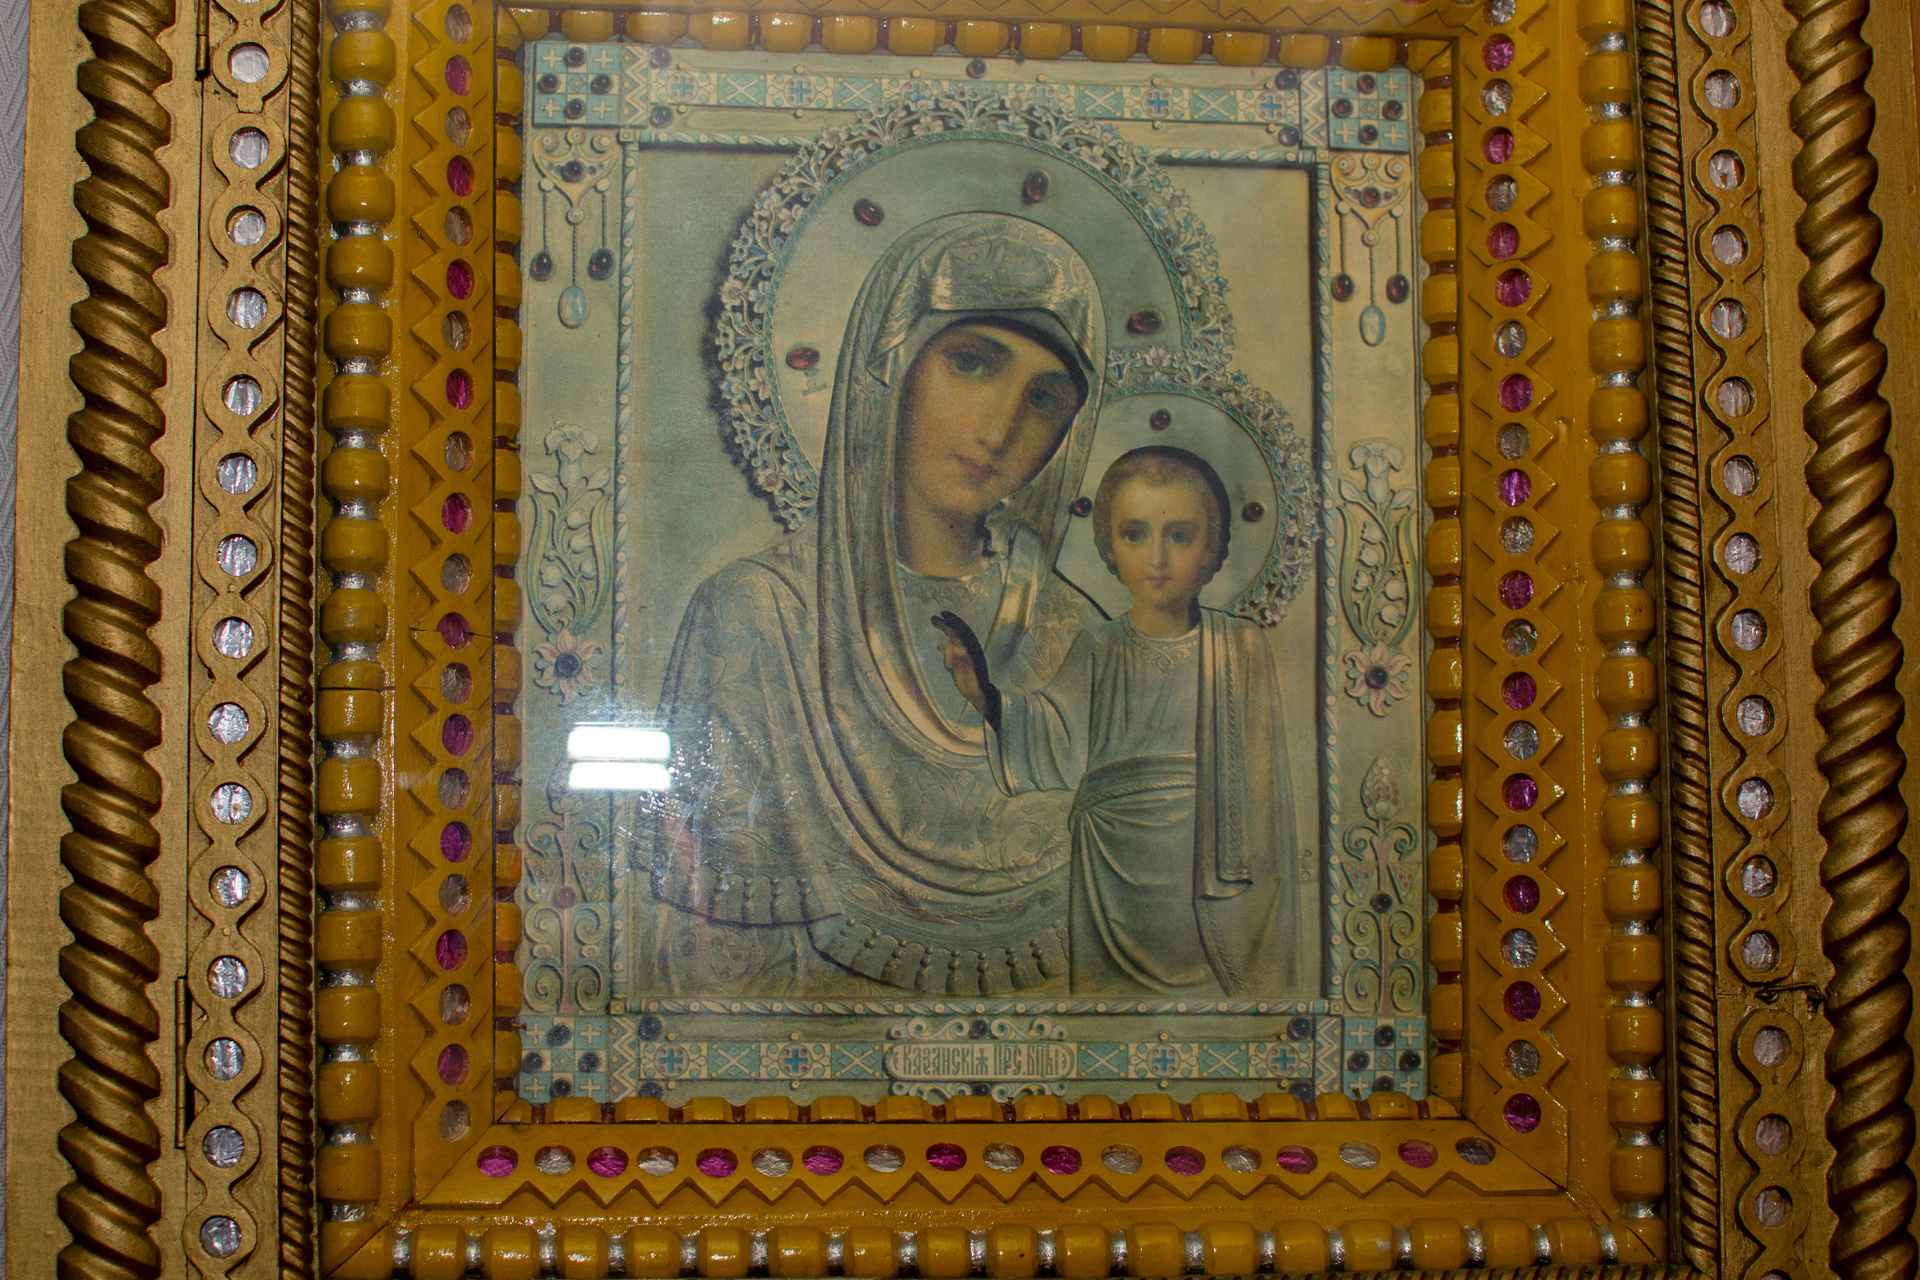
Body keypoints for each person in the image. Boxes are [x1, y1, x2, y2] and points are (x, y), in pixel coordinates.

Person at [645, 215, 1109, 997]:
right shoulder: (758, 617)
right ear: (890, 366)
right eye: (971, 364)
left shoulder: (1077, 637)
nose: (1000, 429)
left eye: (1044, 398)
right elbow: (706, 971)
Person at [935, 446, 1316, 997]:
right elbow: (1053, 737)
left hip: (1205, 859)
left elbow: (1263, 790)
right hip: (1109, 874)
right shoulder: (1097, 645)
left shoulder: (1241, 647)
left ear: (1211, 549)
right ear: (1108, 547)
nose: (1156, 557)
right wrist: (983, 695)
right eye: (1135, 534)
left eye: (1180, 535)